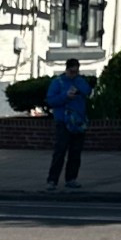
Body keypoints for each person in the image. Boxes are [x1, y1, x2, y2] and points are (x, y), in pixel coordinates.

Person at [44, 58, 89, 190]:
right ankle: (52, 180)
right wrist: (65, 96)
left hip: (78, 121)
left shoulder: (80, 81)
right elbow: (51, 100)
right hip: (63, 121)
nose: (73, 74)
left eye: (76, 72)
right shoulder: (58, 82)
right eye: (71, 71)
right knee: (60, 151)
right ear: (67, 69)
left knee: (75, 152)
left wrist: (79, 90)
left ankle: (71, 178)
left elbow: (88, 91)